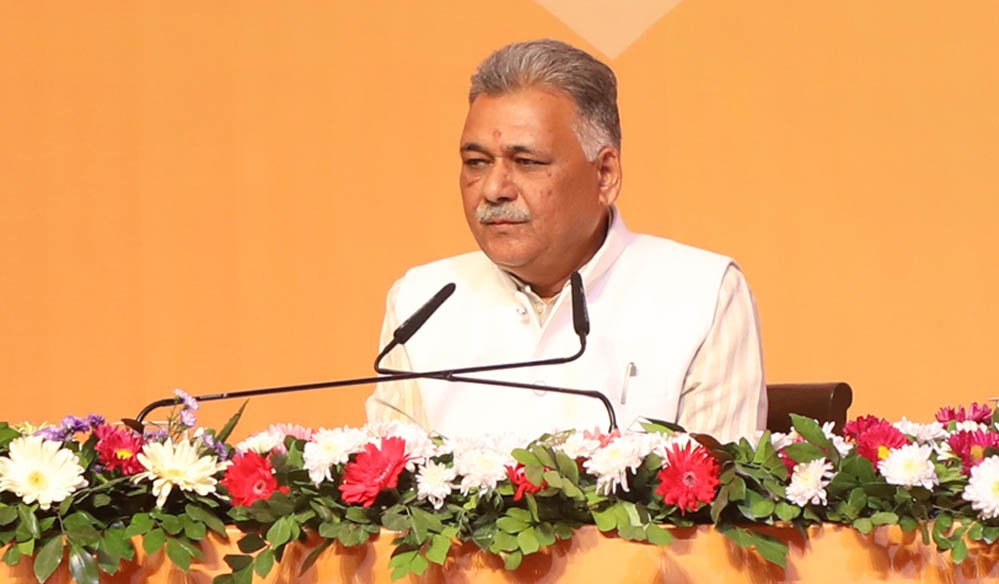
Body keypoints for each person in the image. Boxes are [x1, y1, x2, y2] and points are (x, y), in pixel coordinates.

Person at [365, 39, 766, 442]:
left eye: (527, 162)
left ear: (605, 174)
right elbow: (389, 475)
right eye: (476, 163)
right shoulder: (420, 303)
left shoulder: (703, 293)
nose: (493, 189)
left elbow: (712, 479)